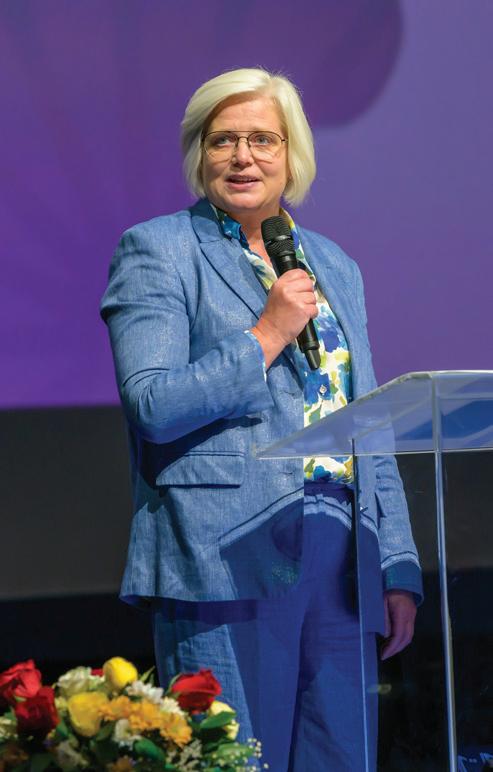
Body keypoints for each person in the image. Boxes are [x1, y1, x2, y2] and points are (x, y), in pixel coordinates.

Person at [100, 67, 423, 771]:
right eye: (223, 140)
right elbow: (152, 404)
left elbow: (367, 418)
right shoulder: (159, 250)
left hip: (343, 557)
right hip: (223, 553)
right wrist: (266, 335)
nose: (242, 156)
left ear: (291, 153)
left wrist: (396, 561)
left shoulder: (333, 264)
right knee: (235, 761)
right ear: (199, 154)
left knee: (341, 758)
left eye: (262, 140)